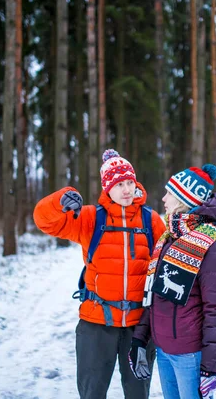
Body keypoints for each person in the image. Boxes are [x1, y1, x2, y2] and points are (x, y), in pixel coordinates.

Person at [33, 149, 166, 399]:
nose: (126, 189)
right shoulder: (91, 218)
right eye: (119, 184)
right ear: (107, 187)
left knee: (138, 393)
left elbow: (167, 260)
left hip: (139, 326)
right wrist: (60, 201)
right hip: (96, 323)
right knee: (92, 392)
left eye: (130, 183)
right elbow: (44, 221)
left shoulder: (151, 220)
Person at [128, 164, 216, 399]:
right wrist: (140, 339)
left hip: (190, 356)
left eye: (169, 193)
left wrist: (210, 368)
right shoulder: (169, 237)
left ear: (184, 199)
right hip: (163, 351)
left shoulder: (209, 245)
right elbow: (155, 295)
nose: (163, 198)